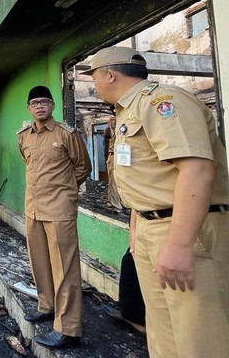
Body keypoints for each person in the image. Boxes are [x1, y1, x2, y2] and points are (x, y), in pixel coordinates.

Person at [84, 45, 229, 358]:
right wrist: (137, 229)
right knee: (163, 336)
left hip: (183, 230)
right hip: (152, 230)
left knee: (197, 338)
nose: (94, 84)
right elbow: (147, 179)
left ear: (109, 74)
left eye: (94, 76)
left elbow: (197, 170)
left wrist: (178, 244)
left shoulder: (163, 102)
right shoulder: (129, 111)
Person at [17, 85, 91, 349]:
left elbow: (83, 166)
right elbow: (30, 166)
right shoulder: (24, 136)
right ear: (29, 108)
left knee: (65, 268)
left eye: (44, 102)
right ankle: (47, 306)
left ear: (52, 106)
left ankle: (68, 329)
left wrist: (66, 191)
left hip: (59, 209)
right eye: (34, 102)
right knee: (39, 262)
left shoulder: (66, 134)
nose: (39, 106)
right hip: (33, 208)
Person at [104, 115, 123, 210]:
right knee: (113, 180)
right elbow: (107, 135)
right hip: (113, 155)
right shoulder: (111, 128)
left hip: (123, 156)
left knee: (122, 179)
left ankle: (122, 202)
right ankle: (113, 203)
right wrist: (109, 124)